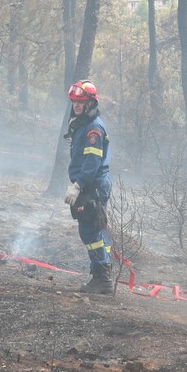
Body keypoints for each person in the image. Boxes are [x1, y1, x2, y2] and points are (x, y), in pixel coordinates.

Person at [63, 79, 114, 294]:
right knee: (96, 228)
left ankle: (102, 279)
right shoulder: (85, 125)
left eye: (81, 102)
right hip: (91, 185)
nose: (76, 105)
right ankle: (101, 274)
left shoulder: (94, 129)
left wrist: (78, 185)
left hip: (91, 186)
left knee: (89, 230)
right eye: (74, 101)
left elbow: (92, 163)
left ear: (90, 103)